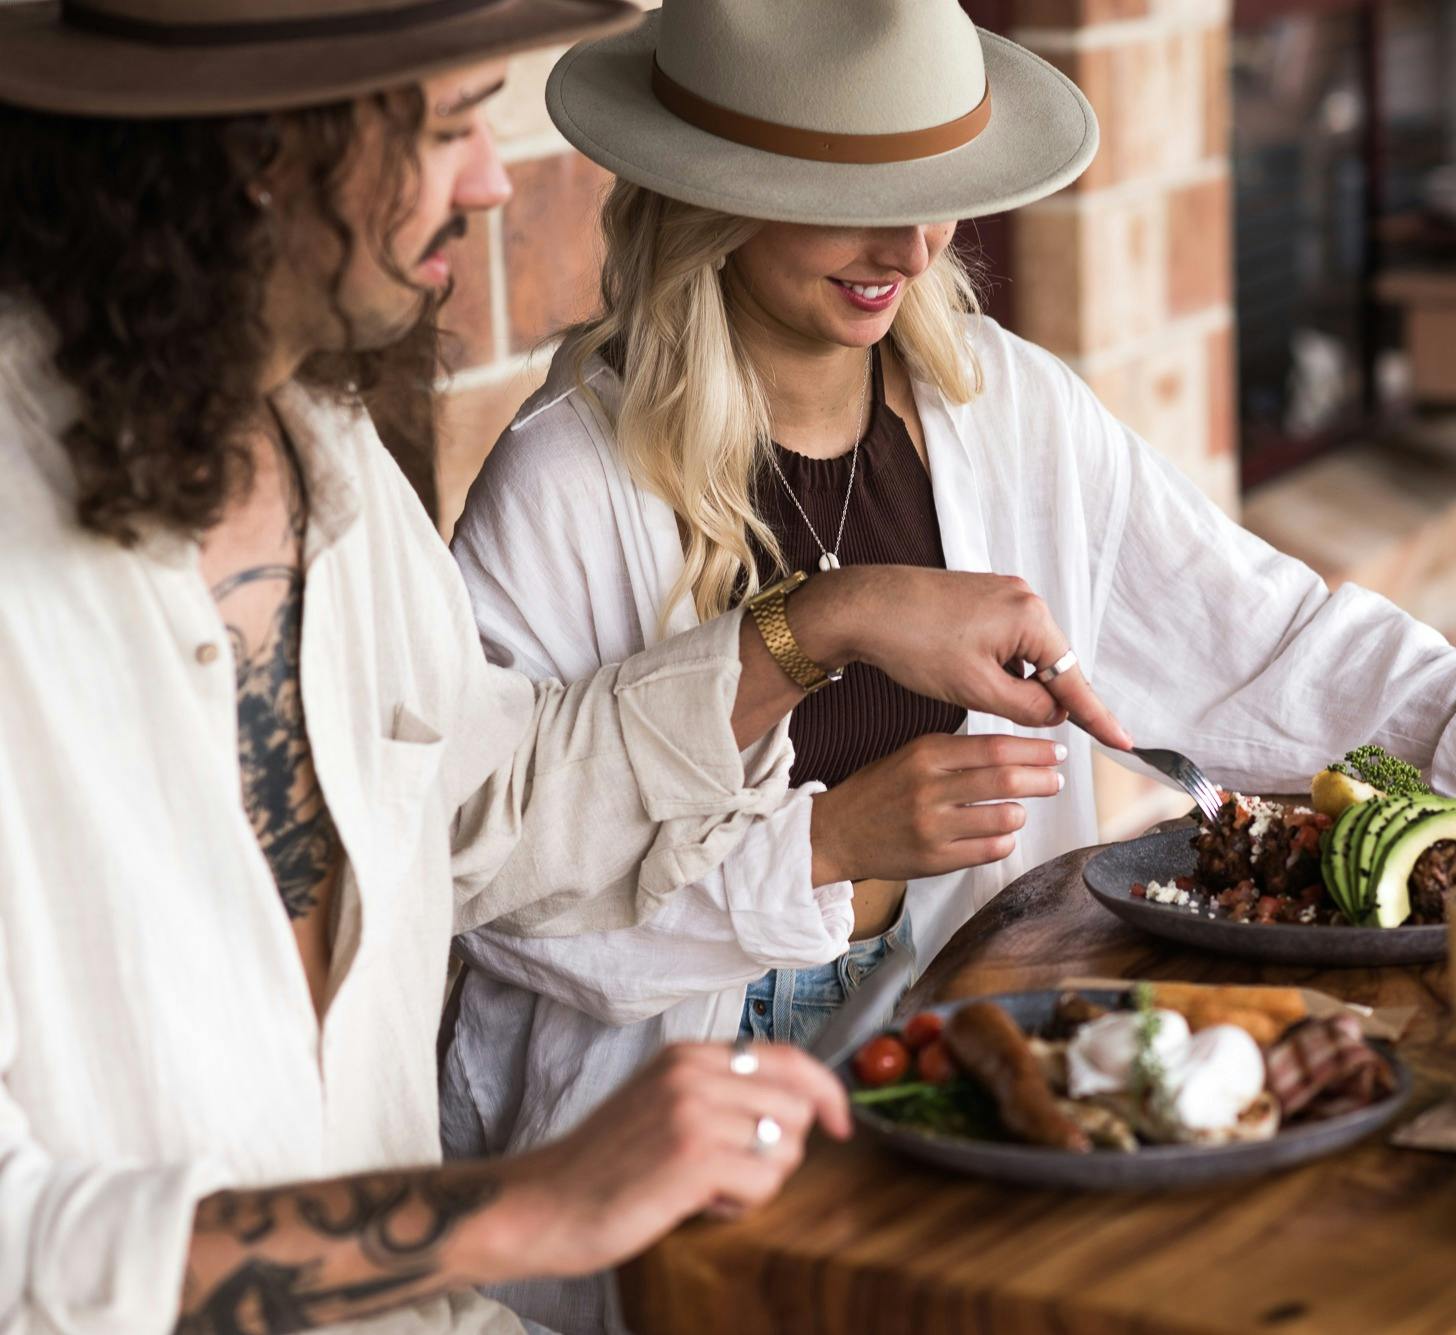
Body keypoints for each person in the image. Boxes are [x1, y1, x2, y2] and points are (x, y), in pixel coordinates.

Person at [440, 1, 1456, 1328]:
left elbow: (1261, 636)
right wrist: (827, 857)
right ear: (712, 197)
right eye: (853, 199)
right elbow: (498, 899)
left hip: (979, 1057)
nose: (912, 248)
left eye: (936, 197)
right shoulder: (568, 486)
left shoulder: (1005, 407)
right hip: (668, 1128)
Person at [0, 2, 1131, 1331]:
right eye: (446, 126)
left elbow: (495, 805)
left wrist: (818, 622)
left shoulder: (323, 457)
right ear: (261, 151)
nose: (492, 180)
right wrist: (541, 1204)